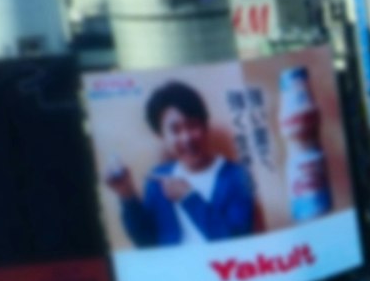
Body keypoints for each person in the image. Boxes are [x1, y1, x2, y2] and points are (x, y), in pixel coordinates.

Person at [105, 80, 262, 247]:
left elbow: (238, 242)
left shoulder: (237, 176)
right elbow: (146, 242)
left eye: (192, 125)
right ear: (162, 137)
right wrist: (127, 195)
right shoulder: (158, 179)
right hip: (173, 272)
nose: (186, 138)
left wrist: (189, 198)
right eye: (175, 130)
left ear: (205, 126)